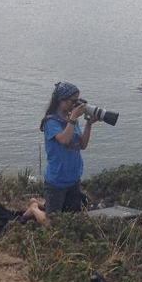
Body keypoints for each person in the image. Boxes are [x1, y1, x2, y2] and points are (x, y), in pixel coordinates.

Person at [26, 81, 98, 225]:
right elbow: (64, 140)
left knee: (74, 220)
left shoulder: (71, 120)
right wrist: (73, 119)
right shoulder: (51, 122)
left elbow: (82, 145)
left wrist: (89, 124)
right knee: (53, 223)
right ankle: (34, 208)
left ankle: (39, 204)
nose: (76, 104)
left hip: (73, 178)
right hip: (57, 181)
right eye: (73, 100)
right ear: (61, 100)